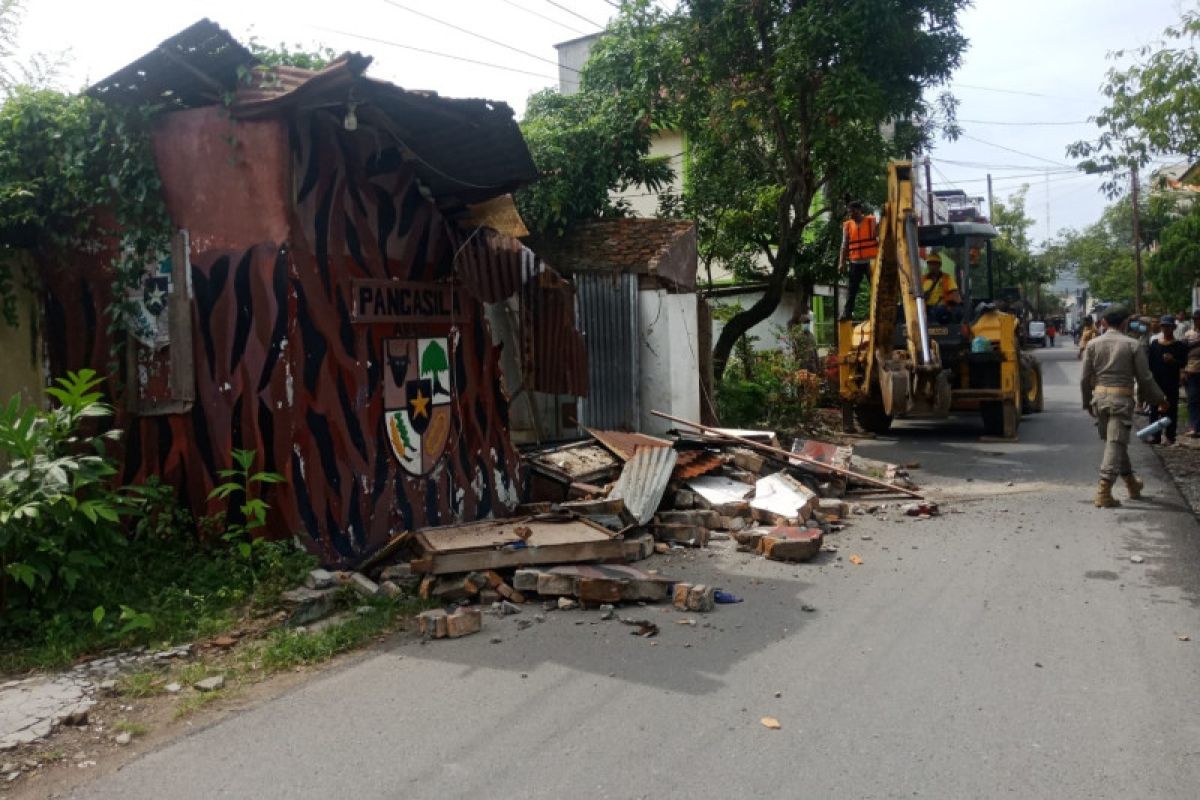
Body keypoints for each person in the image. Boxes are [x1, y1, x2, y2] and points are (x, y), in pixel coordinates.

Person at [1081, 304, 1168, 508]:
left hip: (1100, 400)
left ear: (1103, 322)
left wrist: (1087, 402)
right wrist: (1160, 400)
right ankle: (1104, 491)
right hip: (1121, 401)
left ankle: (1132, 484)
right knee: (1115, 443)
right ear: (1125, 322)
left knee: (1116, 443)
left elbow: (1085, 378)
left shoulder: (1093, 344)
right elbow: (1145, 379)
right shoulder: (1132, 345)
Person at [1148, 315, 1187, 445]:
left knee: (1171, 409)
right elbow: (1150, 364)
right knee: (1154, 409)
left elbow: (1183, 363)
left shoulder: (1179, 346)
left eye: (1168, 327)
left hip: (1171, 381)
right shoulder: (1154, 344)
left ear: (1173, 328)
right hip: (1156, 381)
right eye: (1164, 326)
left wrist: (1173, 360)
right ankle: (1155, 435)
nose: (1166, 329)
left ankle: (1170, 436)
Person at [839, 201, 878, 321]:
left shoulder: (871, 221)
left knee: (876, 287)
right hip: (855, 263)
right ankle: (847, 313)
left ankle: (878, 311)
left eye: (853, 211)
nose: (851, 214)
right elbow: (844, 245)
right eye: (849, 212)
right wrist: (841, 263)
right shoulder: (847, 225)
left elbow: (880, 236)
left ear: (859, 210)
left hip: (871, 262)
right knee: (852, 289)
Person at [1184, 309, 1200, 439]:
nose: (1197, 321)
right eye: (1195, 319)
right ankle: (1194, 427)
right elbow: (1183, 352)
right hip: (1192, 371)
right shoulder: (1188, 334)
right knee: (1193, 400)